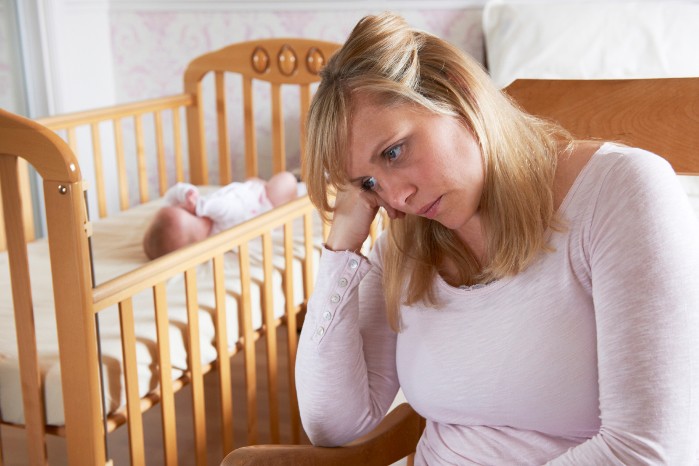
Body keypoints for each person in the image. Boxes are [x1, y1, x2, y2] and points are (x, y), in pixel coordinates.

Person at [295, 13, 699, 465]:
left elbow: (650, 453)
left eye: (394, 152)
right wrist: (341, 249)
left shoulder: (621, 192)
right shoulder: (410, 241)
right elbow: (333, 421)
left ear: (455, 89)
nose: (398, 197)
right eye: (368, 183)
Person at [143, 171, 297, 259]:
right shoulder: (217, 225)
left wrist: (187, 192)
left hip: (247, 191)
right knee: (286, 180)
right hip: (263, 204)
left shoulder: (202, 221)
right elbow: (232, 208)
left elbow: (171, 195)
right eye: (182, 209)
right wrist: (201, 206)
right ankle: (294, 194)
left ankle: (261, 183)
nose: (182, 204)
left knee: (252, 180)